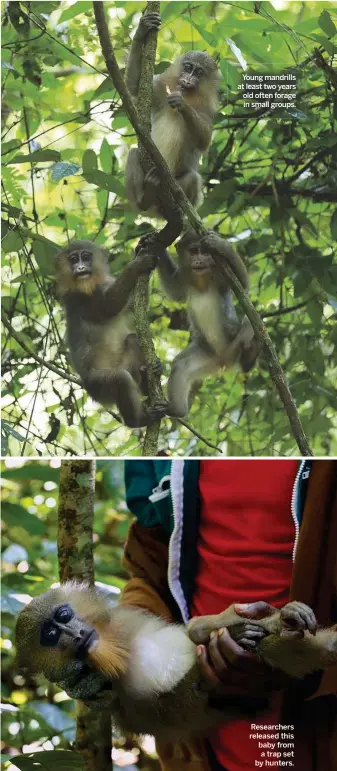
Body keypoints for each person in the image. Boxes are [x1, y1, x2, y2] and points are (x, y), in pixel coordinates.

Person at [121, 459, 337, 771]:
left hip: (320, 728)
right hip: (208, 745)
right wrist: (136, 645)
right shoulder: (160, 441)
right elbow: (149, 564)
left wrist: (300, 655)